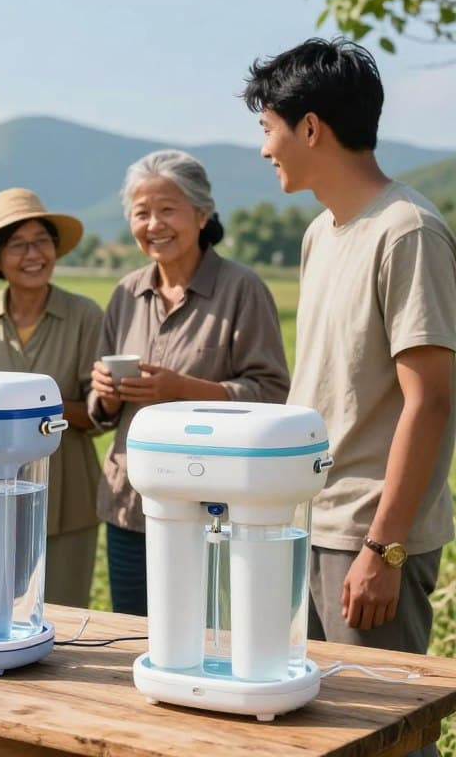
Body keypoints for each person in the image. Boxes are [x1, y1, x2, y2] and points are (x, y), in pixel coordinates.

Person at [244, 40, 456, 757]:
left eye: (268, 127)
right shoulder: (319, 234)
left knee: (386, 741)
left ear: (310, 129)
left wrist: (383, 549)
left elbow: (429, 401)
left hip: (367, 537)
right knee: (316, 734)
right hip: (308, 522)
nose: (264, 148)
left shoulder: (409, 230)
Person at [87, 149, 290, 617]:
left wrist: (181, 388)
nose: (153, 224)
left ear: (201, 214)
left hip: (212, 507)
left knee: (209, 639)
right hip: (130, 503)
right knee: (133, 633)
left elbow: (271, 393)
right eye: (142, 213)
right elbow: (99, 412)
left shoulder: (242, 290)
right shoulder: (126, 293)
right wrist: (105, 392)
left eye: (167, 209)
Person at [0, 188, 104, 608]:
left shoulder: (86, 316)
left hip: (68, 495)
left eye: (41, 241)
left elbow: (98, 415)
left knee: (63, 611)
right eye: (17, 244)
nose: (32, 253)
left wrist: (27, 415)